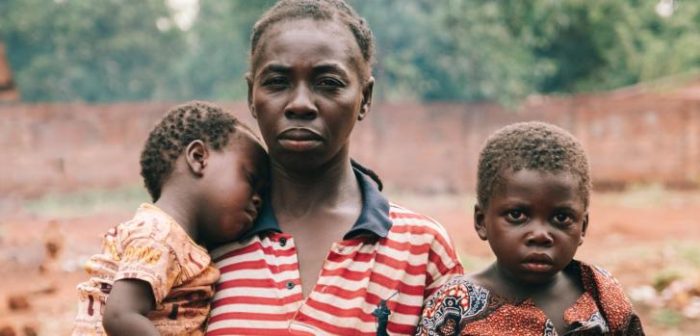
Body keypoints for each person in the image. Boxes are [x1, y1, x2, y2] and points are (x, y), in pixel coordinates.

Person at [205, 0, 463, 335]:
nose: (300, 104)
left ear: (365, 98)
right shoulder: (203, 239)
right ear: (251, 95)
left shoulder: (421, 248)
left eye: (328, 82)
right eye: (277, 82)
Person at [415, 121, 645, 335]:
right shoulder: (453, 306)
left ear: (583, 227)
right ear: (481, 221)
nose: (540, 235)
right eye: (517, 215)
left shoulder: (601, 291)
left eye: (561, 218)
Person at [72, 101, 268, 336]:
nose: (258, 200)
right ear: (198, 158)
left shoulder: (176, 240)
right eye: (251, 179)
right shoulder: (159, 235)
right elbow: (120, 316)